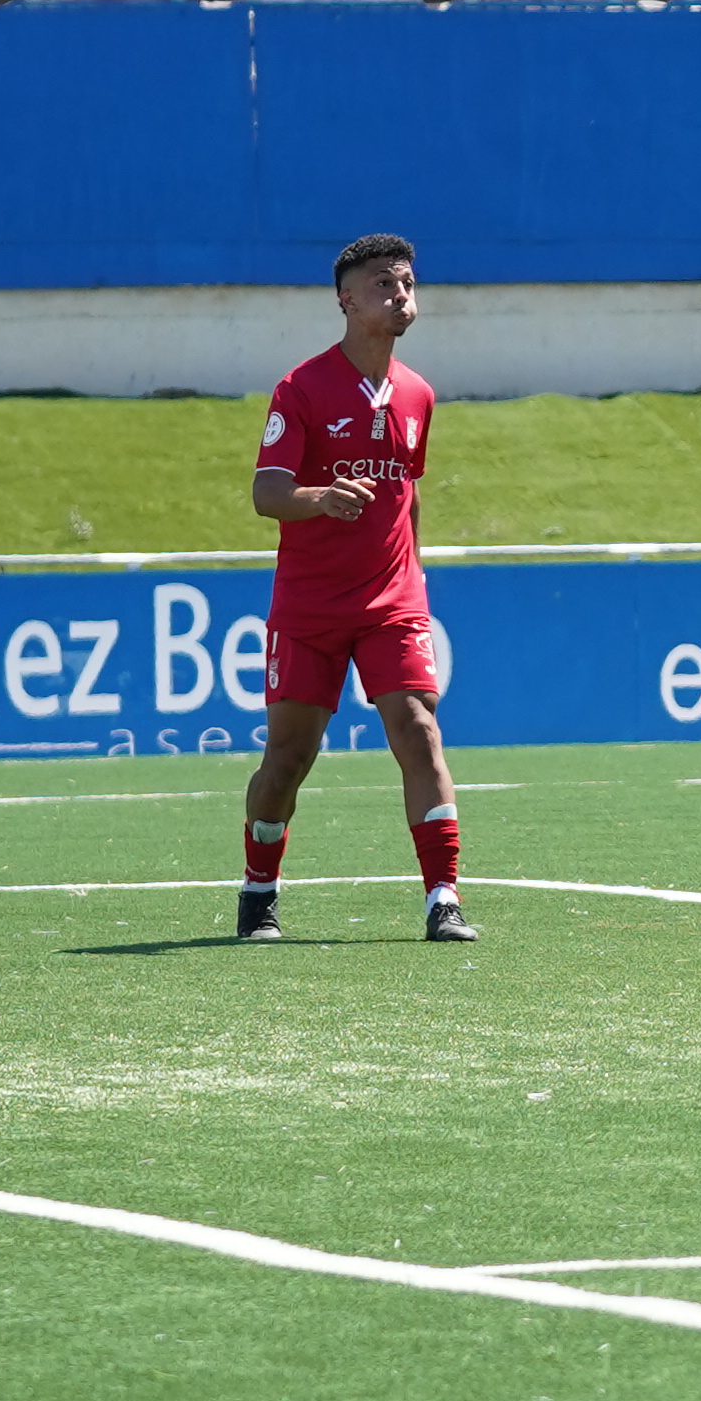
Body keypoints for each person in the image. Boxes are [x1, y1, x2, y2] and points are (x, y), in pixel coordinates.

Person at [239, 236, 472, 943]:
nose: (400, 293)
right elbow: (266, 492)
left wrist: (417, 579)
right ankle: (258, 889)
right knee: (288, 759)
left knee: (419, 728)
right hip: (310, 604)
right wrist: (319, 497)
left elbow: (410, 495)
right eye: (382, 284)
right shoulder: (301, 388)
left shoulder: (418, 395)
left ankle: (443, 899)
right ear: (345, 299)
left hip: (393, 600)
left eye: (406, 282)